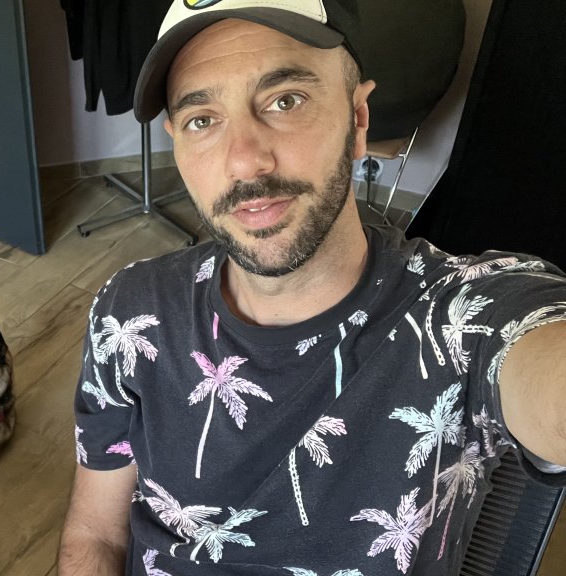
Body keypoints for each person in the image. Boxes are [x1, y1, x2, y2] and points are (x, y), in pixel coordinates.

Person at [57, 1, 566, 574]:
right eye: (203, 119)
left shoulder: (457, 320)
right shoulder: (131, 311)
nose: (244, 161)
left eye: (285, 101)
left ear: (358, 119)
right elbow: (96, 533)